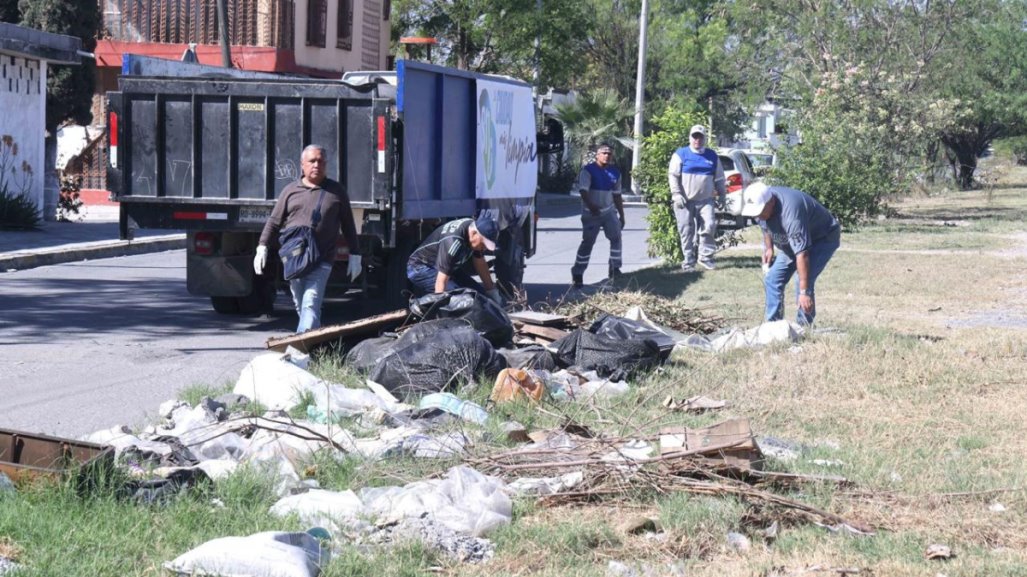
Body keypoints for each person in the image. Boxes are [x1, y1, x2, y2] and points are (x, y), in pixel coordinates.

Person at [253, 144, 362, 333]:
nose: (316, 165)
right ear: (302, 165)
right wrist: (262, 246)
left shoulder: (336, 191)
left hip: (322, 258)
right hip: (295, 259)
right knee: (301, 305)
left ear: (326, 164)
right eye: (312, 161)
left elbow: (348, 225)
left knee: (310, 303)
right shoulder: (290, 191)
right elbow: (274, 221)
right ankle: (315, 348)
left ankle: (299, 350)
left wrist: (355, 254)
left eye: (320, 161)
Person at [740, 182, 841, 326]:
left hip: (822, 238)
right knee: (772, 279)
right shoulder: (761, 206)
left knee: (802, 280)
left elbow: (802, 254)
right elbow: (765, 225)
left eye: (760, 211)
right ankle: (773, 327)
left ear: (771, 202)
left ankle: (803, 328)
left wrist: (804, 292)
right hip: (793, 244)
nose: (759, 216)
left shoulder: (791, 213)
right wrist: (769, 248)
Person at [406, 215, 504, 304]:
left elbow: (479, 261)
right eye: (483, 244)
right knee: (461, 299)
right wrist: (443, 309)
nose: (484, 248)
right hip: (420, 268)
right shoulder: (453, 242)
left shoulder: (473, 229)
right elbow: (441, 282)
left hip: (448, 268)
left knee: (480, 297)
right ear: (474, 234)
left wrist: (491, 292)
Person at [668, 124, 726, 271]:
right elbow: (673, 176)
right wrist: (676, 194)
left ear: (704, 138)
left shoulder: (712, 156)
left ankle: (705, 257)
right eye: (694, 137)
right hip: (685, 201)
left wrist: (722, 195)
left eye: (700, 137)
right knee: (686, 230)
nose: (697, 140)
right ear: (690, 138)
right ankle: (688, 261)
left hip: (706, 200)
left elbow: (719, 178)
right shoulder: (681, 154)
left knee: (710, 225)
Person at [570, 143, 625, 288]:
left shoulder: (615, 173)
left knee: (616, 237)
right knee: (588, 243)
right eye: (604, 153)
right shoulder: (588, 171)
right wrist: (591, 206)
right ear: (597, 155)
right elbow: (583, 191)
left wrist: (622, 215)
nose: (606, 156)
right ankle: (578, 273)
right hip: (591, 214)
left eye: (609, 153)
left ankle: (614, 268)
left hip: (608, 212)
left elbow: (617, 195)